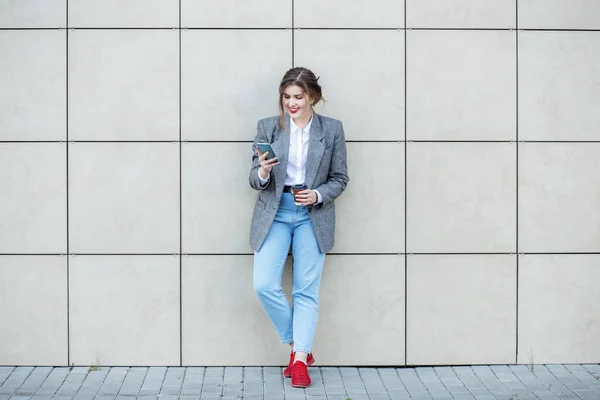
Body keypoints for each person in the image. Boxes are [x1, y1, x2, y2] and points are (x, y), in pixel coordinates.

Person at [248, 67, 349, 388]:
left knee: (306, 290)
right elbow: (254, 179)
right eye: (287, 97)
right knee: (264, 284)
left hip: (312, 215)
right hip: (275, 213)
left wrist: (318, 194)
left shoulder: (331, 130)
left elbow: (340, 178)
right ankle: (298, 347)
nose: (291, 103)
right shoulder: (268, 127)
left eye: (298, 97)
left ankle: (300, 359)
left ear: (313, 97)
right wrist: (262, 171)